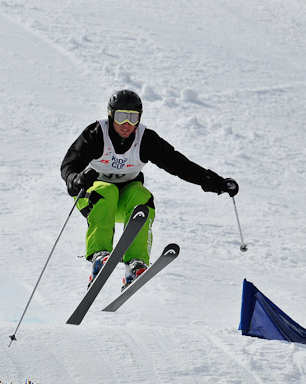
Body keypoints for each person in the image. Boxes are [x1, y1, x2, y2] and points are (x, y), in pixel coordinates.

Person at [61, 89, 238, 290]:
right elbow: (69, 164)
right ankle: (99, 256)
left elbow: (179, 165)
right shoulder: (95, 135)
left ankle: (135, 264)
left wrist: (216, 182)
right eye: (121, 117)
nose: (127, 124)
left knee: (141, 196)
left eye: (133, 117)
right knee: (107, 191)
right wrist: (75, 179)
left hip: (124, 203)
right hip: (94, 199)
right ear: (110, 116)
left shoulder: (145, 139)